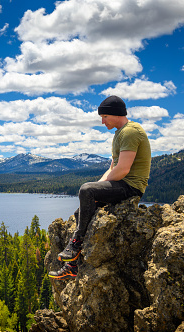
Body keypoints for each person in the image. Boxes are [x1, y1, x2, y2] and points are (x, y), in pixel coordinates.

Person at [48, 95, 151, 280]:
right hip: (121, 184)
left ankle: (76, 243)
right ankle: (72, 266)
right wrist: (98, 188)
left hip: (131, 187)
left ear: (115, 113)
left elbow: (123, 169)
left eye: (104, 117)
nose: (102, 121)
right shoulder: (119, 133)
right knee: (82, 211)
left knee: (86, 190)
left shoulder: (131, 132)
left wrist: (93, 189)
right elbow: (111, 168)